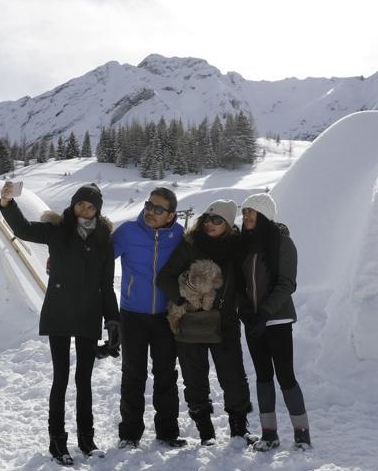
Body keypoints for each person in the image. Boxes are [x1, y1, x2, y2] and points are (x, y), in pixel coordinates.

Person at [0, 182, 119, 466]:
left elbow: (106, 284)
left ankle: (87, 439)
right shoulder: (57, 230)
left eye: (91, 206)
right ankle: (57, 441)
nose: (85, 210)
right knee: (61, 378)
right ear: (73, 204)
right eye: (81, 204)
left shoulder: (104, 240)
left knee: (84, 380)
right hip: (60, 313)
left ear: (98, 211)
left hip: (89, 314)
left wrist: (113, 319)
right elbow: (24, 229)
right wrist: (7, 203)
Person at [157, 200, 255, 446]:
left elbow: (252, 271)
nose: (210, 224)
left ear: (229, 224)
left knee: (233, 375)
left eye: (217, 220)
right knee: (194, 377)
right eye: (207, 219)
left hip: (225, 321)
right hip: (191, 320)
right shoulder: (190, 245)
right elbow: (165, 277)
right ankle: (205, 432)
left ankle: (239, 430)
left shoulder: (238, 247)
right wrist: (183, 298)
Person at [111, 187, 187, 449]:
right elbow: (96, 257)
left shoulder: (178, 235)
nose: (150, 212)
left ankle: (167, 432)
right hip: (132, 315)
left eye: (158, 209)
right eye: (148, 205)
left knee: (166, 374)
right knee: (133, 374)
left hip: (165, 317)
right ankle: (129, 434)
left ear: (170, 215)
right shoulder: (128, 232)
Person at [237, 193, 311, 451]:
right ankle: (269, 434)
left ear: (264, 215)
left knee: (285, 375)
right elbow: (238, 283)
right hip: (253, 321)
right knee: (263, 376)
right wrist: (245, 311)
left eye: (251, 212)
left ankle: (302, 433)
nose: (246, 216)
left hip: (277, 318)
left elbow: (287, 283)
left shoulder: (282, 243)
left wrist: (265, 313)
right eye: (244, 211)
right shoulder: (243, 244)